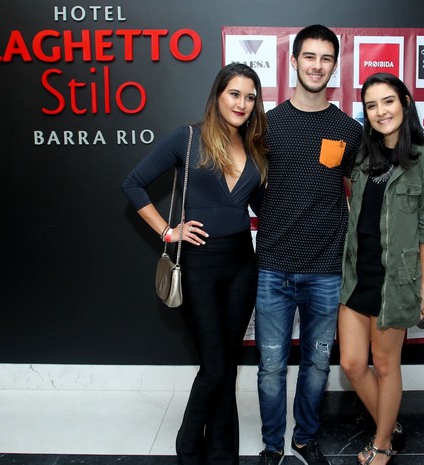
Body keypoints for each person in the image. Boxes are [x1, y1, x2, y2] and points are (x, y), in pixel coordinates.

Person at [122, 62, 268, 465]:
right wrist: (169, 232)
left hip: (242, 264)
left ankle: (222, 453)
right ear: (218, 95)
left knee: (225, 362)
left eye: (250, 97)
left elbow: (256, 205)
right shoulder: (188, 138)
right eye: (234, 94)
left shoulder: (255, 148)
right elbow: (132, 184)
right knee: (216, 365)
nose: (241, 103)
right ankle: (189, 446)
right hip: (199, 265)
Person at [254, 25, 363, 465]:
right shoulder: (266, 124)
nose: (317, 66)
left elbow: (361, 191)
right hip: (273, 267)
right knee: (271, 368)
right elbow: (249, 186)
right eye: (309, 57)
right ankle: (271, 444)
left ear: (334, 66)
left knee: (318, 365)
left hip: (326, 270)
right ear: (293, 61)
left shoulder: (348, 129)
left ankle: (305, 438)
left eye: (326, 58)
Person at [338, 72, 424, 465]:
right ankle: (390, 423)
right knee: (352, 363)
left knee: (386, 366)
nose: (381, 111)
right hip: (356, 273)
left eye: (387, 101)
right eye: (371, 105)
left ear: (404, 100)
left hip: (395, 279)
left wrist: (423, 286)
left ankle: (383, 442)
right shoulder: (364, 156)